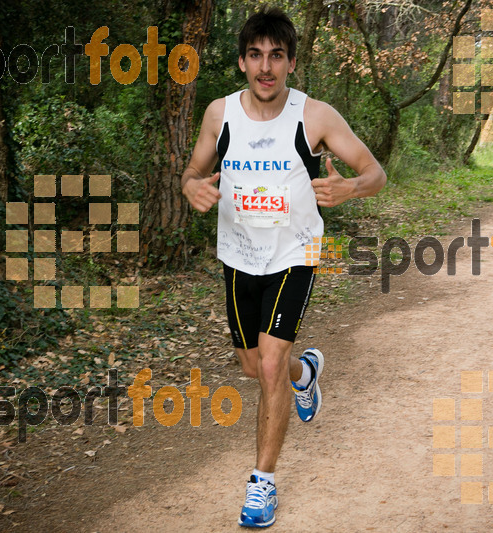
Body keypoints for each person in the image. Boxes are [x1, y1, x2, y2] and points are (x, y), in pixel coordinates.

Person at [181, 7, 386, 528]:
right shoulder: (219, 114)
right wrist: (193, 188)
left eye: (276, 56)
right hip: (239, 255)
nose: (265, 67)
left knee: (269, 365)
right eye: (256, 55)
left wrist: (350, 187)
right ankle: (307, 372)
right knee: (255, 367)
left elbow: (374, 172)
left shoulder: (315, 116)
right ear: (244, 62)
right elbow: (192, 171)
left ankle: (262, 483)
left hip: (296, 251)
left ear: (291, 63)